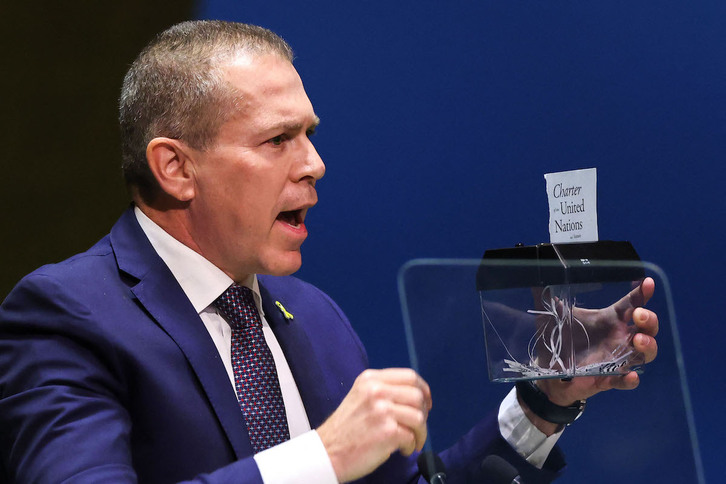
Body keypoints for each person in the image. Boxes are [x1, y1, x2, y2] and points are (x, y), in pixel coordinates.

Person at [0, 20, 659, 483]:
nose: (315, 164)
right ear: (176, 168)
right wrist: (323, 457)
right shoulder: (67, 316)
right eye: (277, 140)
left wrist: (545, 403)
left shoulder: (313, 315)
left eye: (310, 135)